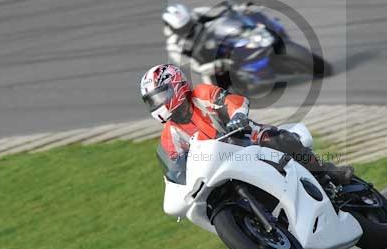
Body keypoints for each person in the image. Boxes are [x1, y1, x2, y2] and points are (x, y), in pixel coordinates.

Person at [140, 63, 352, 185]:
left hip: (246, 139)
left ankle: (328, 171)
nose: (158, 104)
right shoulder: (170, 134)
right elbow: (177, 166)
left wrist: (237, 116)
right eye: (152, 101)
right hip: (220, 166)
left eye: (160, 96)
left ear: (176, 85)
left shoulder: (201, 94)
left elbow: (232, 101)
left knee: (271, 139)